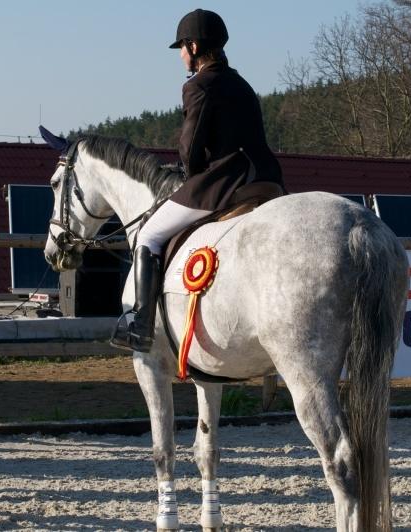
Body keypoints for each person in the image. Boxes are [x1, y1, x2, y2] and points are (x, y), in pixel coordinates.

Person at [110, 9, 285, 352]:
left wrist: (190, 174)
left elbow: (190, 149)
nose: (180, 55)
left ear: (193, 46)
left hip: (225, 184)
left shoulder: (198, 86)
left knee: (148, 234)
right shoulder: (243, 85)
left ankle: (141, 326)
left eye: (181, 47)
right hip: (267, 180)